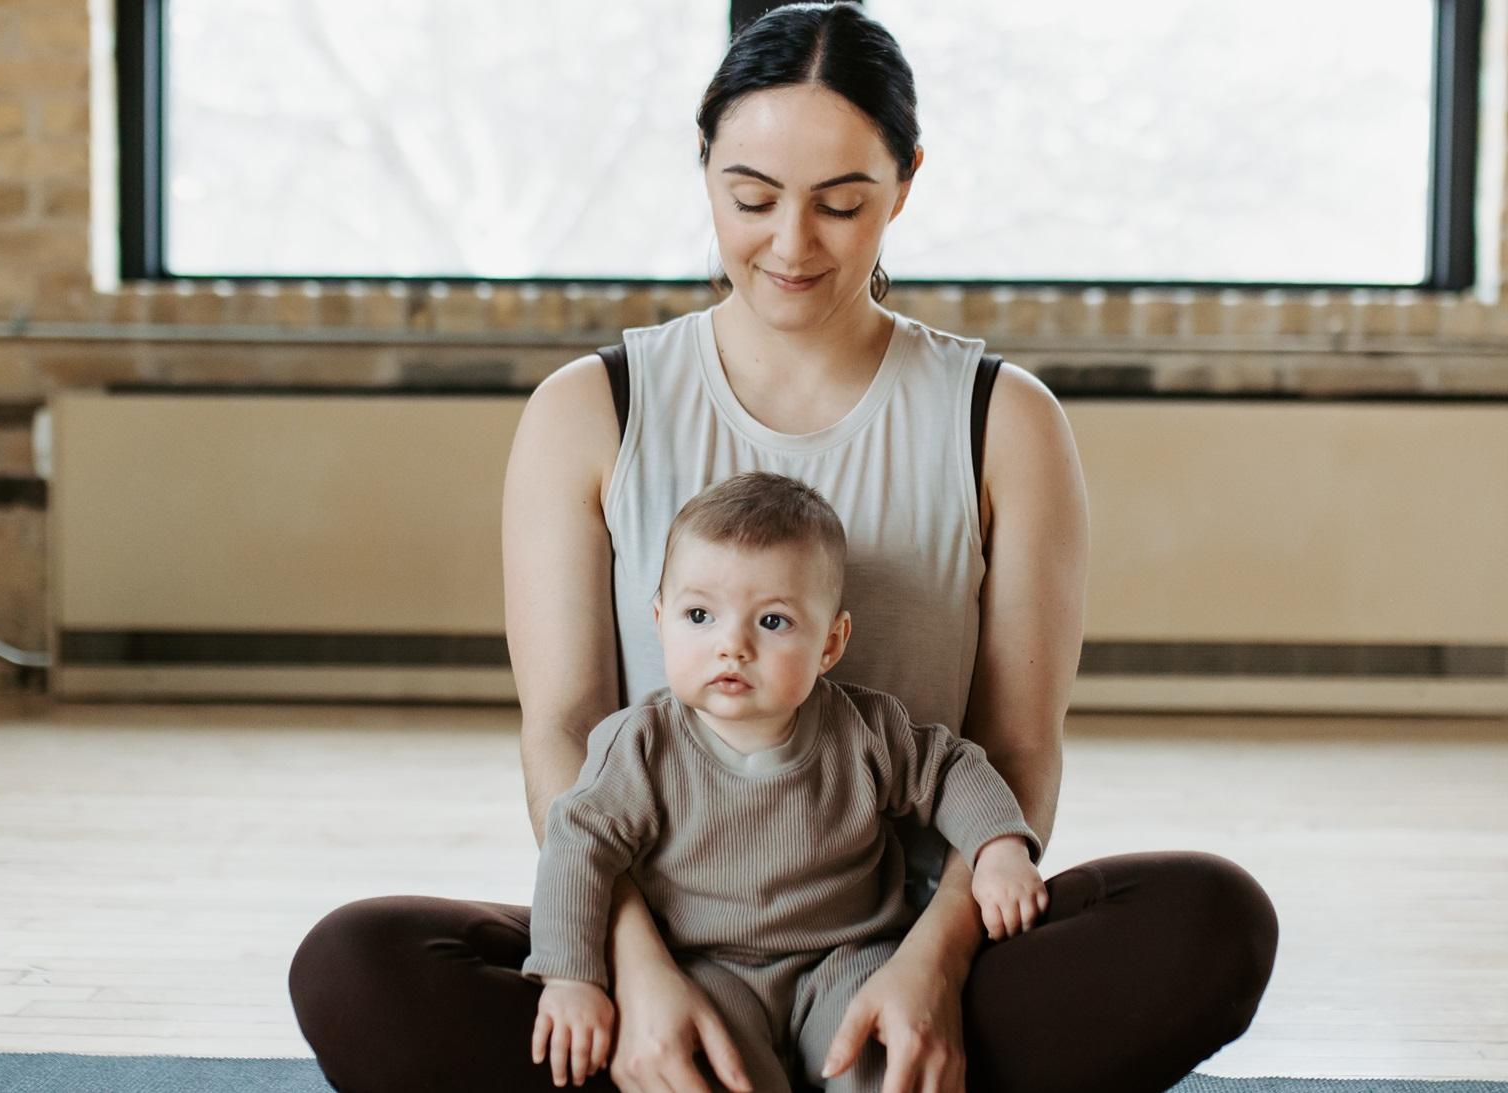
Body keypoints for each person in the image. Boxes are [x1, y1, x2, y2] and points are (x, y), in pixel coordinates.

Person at [291, 5, 1280, 1092]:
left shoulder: (1004, 419)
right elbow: (564, 735)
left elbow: (1014, 750)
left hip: (899, 935)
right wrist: (635, 978)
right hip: (657, 933)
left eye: (841, 203)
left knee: (1211, 918)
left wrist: (934, 966)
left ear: (903, 183)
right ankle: (690, 1059)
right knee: (356, 967)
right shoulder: (589, 410)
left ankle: (876, 1053)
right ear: (705, 169)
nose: (791, 245)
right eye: (751, 198)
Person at [525, 471, 1049, 1092]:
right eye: (699, 615)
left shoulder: (864, 728)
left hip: (848, 956)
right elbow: (576, 848)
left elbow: (952, 768)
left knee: (883, 1064)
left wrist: (998, 848)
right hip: (705, 966)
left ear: (830, 644)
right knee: (713, 1071)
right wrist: (572, 977)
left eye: (773, 622)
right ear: (660, 621)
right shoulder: (640, 744)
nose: (732, 646)